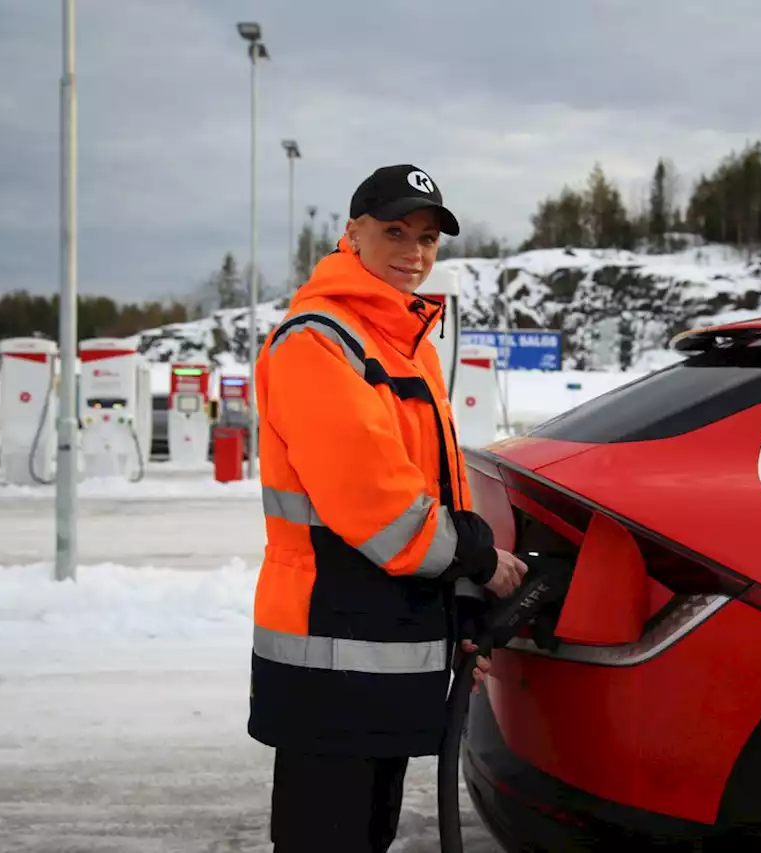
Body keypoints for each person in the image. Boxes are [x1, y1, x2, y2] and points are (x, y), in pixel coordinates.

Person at [248, 163, 529, 852]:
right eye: (395, 231)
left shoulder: (399, 339)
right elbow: (379, 506)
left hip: (387, 633)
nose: (415, 252)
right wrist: (478, 559)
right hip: (333, 646)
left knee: (369, 832)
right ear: (352, 234)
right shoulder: (319, 341)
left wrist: (456, 600)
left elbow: (430, 485)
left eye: (429, 237)